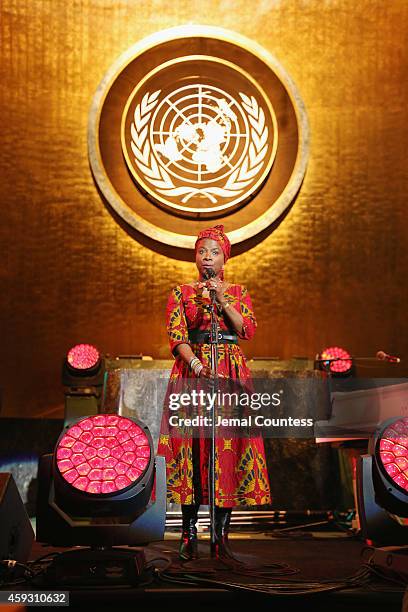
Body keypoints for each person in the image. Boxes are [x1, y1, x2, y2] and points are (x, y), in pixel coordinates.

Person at [157, 224, 271, 561]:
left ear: (224, 258)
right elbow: (176, 335)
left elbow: (247, 330)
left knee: (229, 448)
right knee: (193, 446)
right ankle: (188, 534)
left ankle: (221, 536)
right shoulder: (181, 292)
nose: (207, 257)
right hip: (194, 373)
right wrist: (195, 366)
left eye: (214, 252)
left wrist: (223, 302)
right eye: (202, 252)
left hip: (231, 372)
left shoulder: (238, 291)